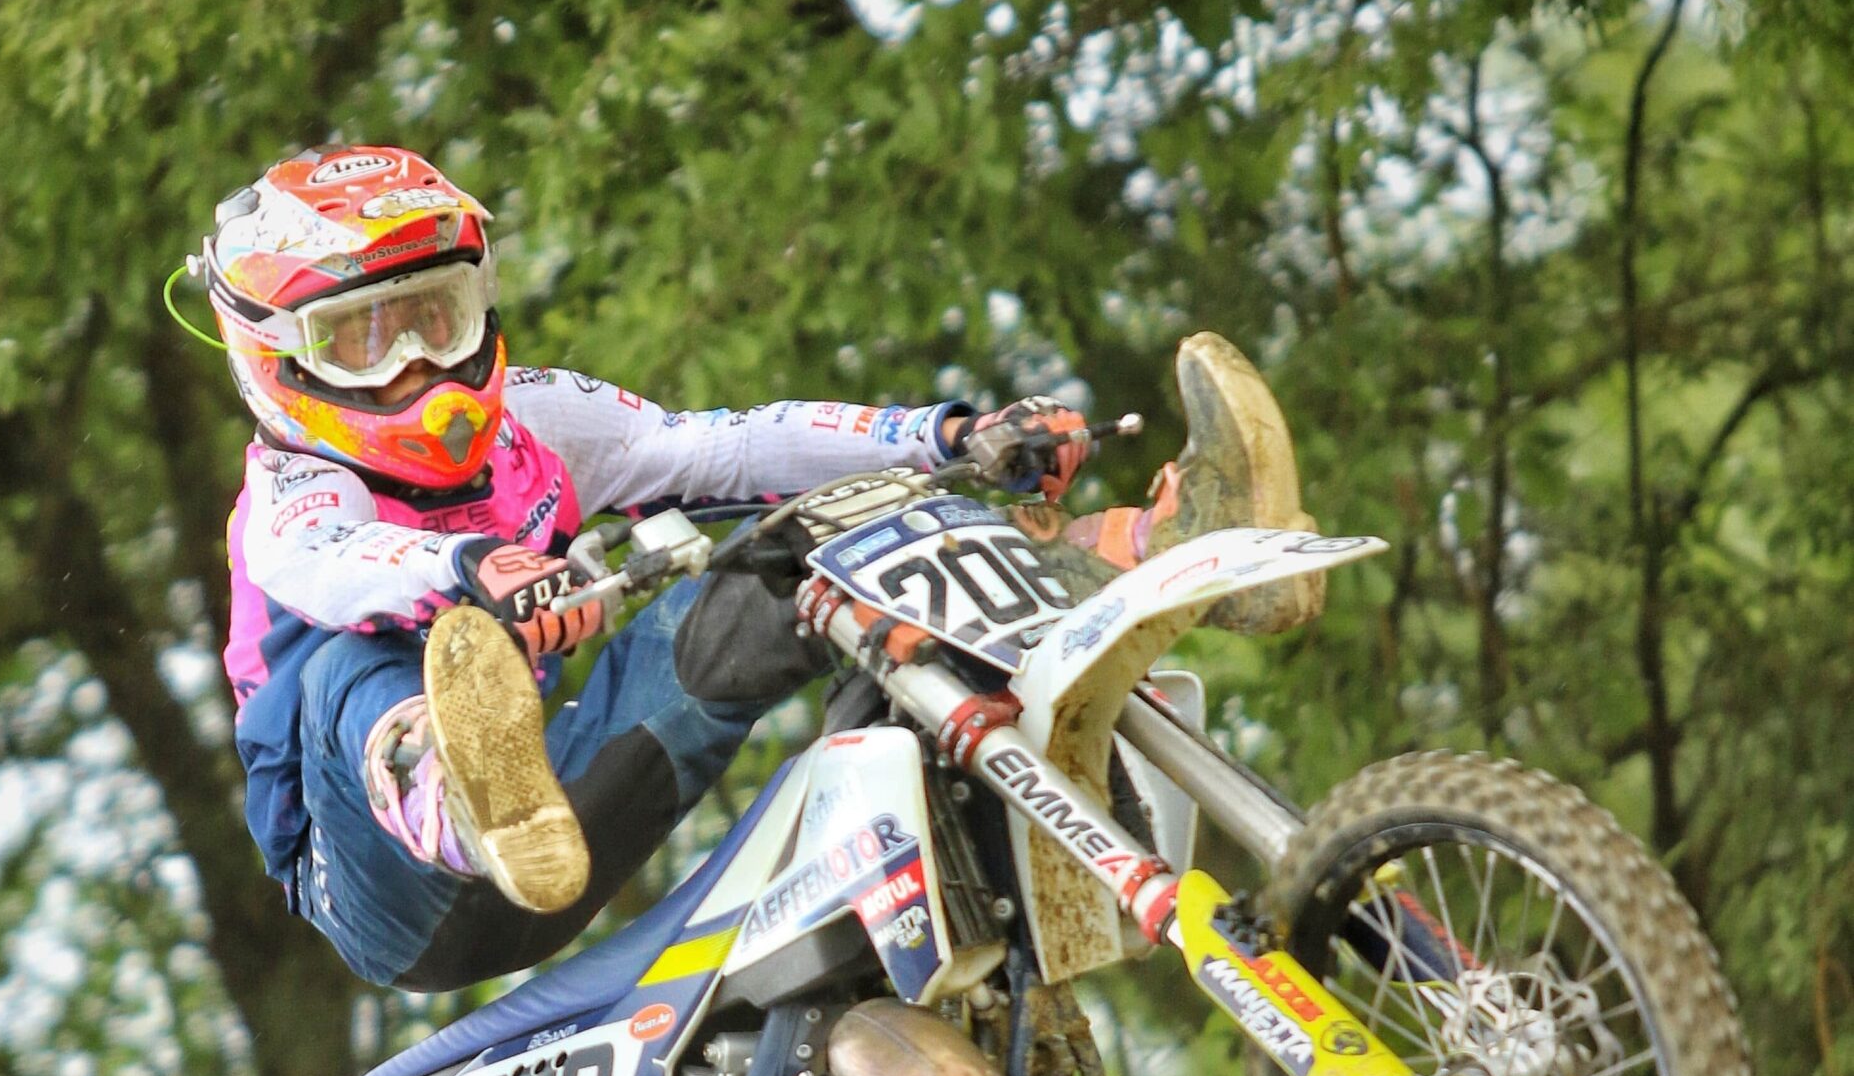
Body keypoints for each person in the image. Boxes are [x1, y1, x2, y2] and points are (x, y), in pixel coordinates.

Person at [203, 144, 1317, 995]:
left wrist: (945, 438)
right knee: (348, 668)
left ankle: (1156, 555)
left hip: (566, 813)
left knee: (799, 549)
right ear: (277, 365)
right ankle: (451, 789)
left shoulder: (535, 420)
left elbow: (727, 447)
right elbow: (337, 566)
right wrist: (474, 570)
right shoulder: (291, 496)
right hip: (390, 891)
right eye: (363, 340)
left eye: (435, 319)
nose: (416, 368)